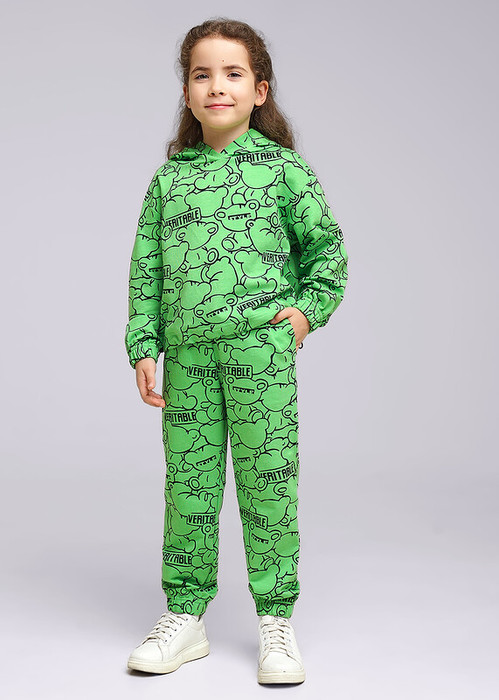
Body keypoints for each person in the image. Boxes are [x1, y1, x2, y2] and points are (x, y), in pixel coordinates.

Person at [124, 17, 348, 685]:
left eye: (232, 74)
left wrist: (304, 315)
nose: (216, 86)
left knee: (267, 484)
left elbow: (328, 253)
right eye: (202, 74)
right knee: (188, 489)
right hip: (188, 360)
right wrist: (144, 343)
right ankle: (185, 616)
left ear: (259, 90)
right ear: (187, 93)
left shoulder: (283, 171)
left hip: (259, 356)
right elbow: (146, 270)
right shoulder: (170, 181)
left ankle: (276, 622)